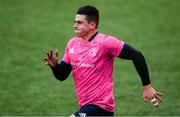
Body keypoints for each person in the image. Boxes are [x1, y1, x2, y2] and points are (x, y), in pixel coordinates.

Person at [44, 5, 164, 116]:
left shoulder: (105, 42)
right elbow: (62, 75)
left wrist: (147, 87)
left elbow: (137, 55)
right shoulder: (72, 43)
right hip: (85, 105)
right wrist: (54, 66)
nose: (75, 25)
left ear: (92, 25)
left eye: (80, 22)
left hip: (102, 106)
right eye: (75, 22)